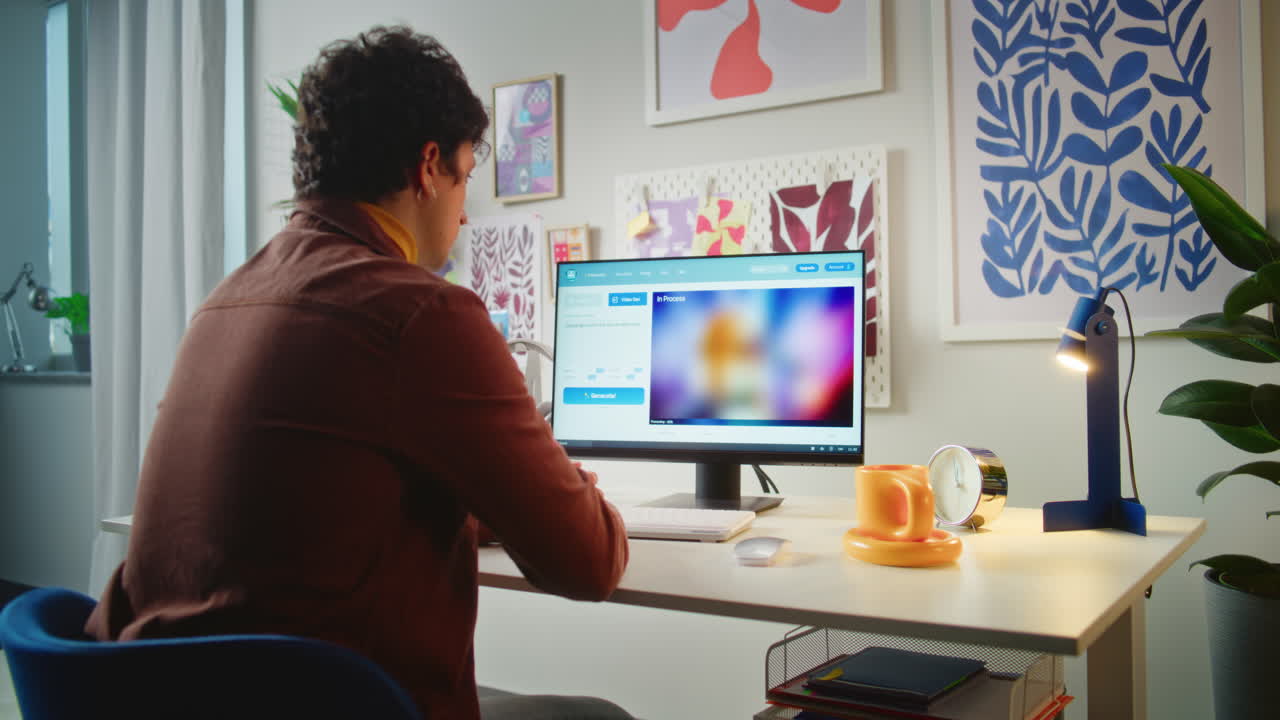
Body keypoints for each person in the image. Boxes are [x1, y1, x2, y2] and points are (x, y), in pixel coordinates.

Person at [86, 26, 633, 720]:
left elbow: (313, 510)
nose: (466, 214)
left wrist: (477, 511)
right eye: (465, 177)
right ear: (428, 167)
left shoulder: (226, 300)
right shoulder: (421, 313)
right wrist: (580, 503)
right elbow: (587, 563)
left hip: (162, 697)